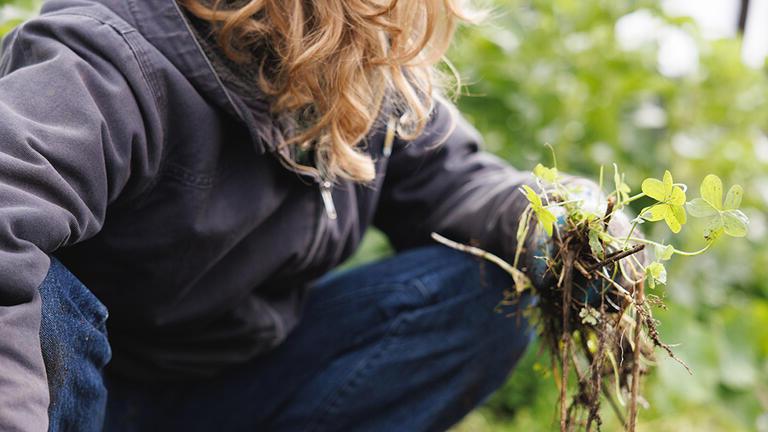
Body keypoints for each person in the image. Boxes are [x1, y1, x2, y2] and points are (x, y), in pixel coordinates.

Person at [0, 0, 636, 430]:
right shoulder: (106, 62)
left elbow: (458, 182)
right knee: (46, 296)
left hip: (234, 380)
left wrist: (561, 221)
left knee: (488, 289)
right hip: (76, 393)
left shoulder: (359, 75)